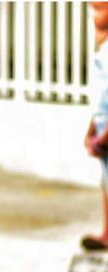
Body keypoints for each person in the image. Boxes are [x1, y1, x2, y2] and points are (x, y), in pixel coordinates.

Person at [81, 2, 108, 251]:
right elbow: (100, 95)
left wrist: (103, 136)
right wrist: (92, 129)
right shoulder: (102, 48)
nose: (93, 16)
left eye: (99, 9)